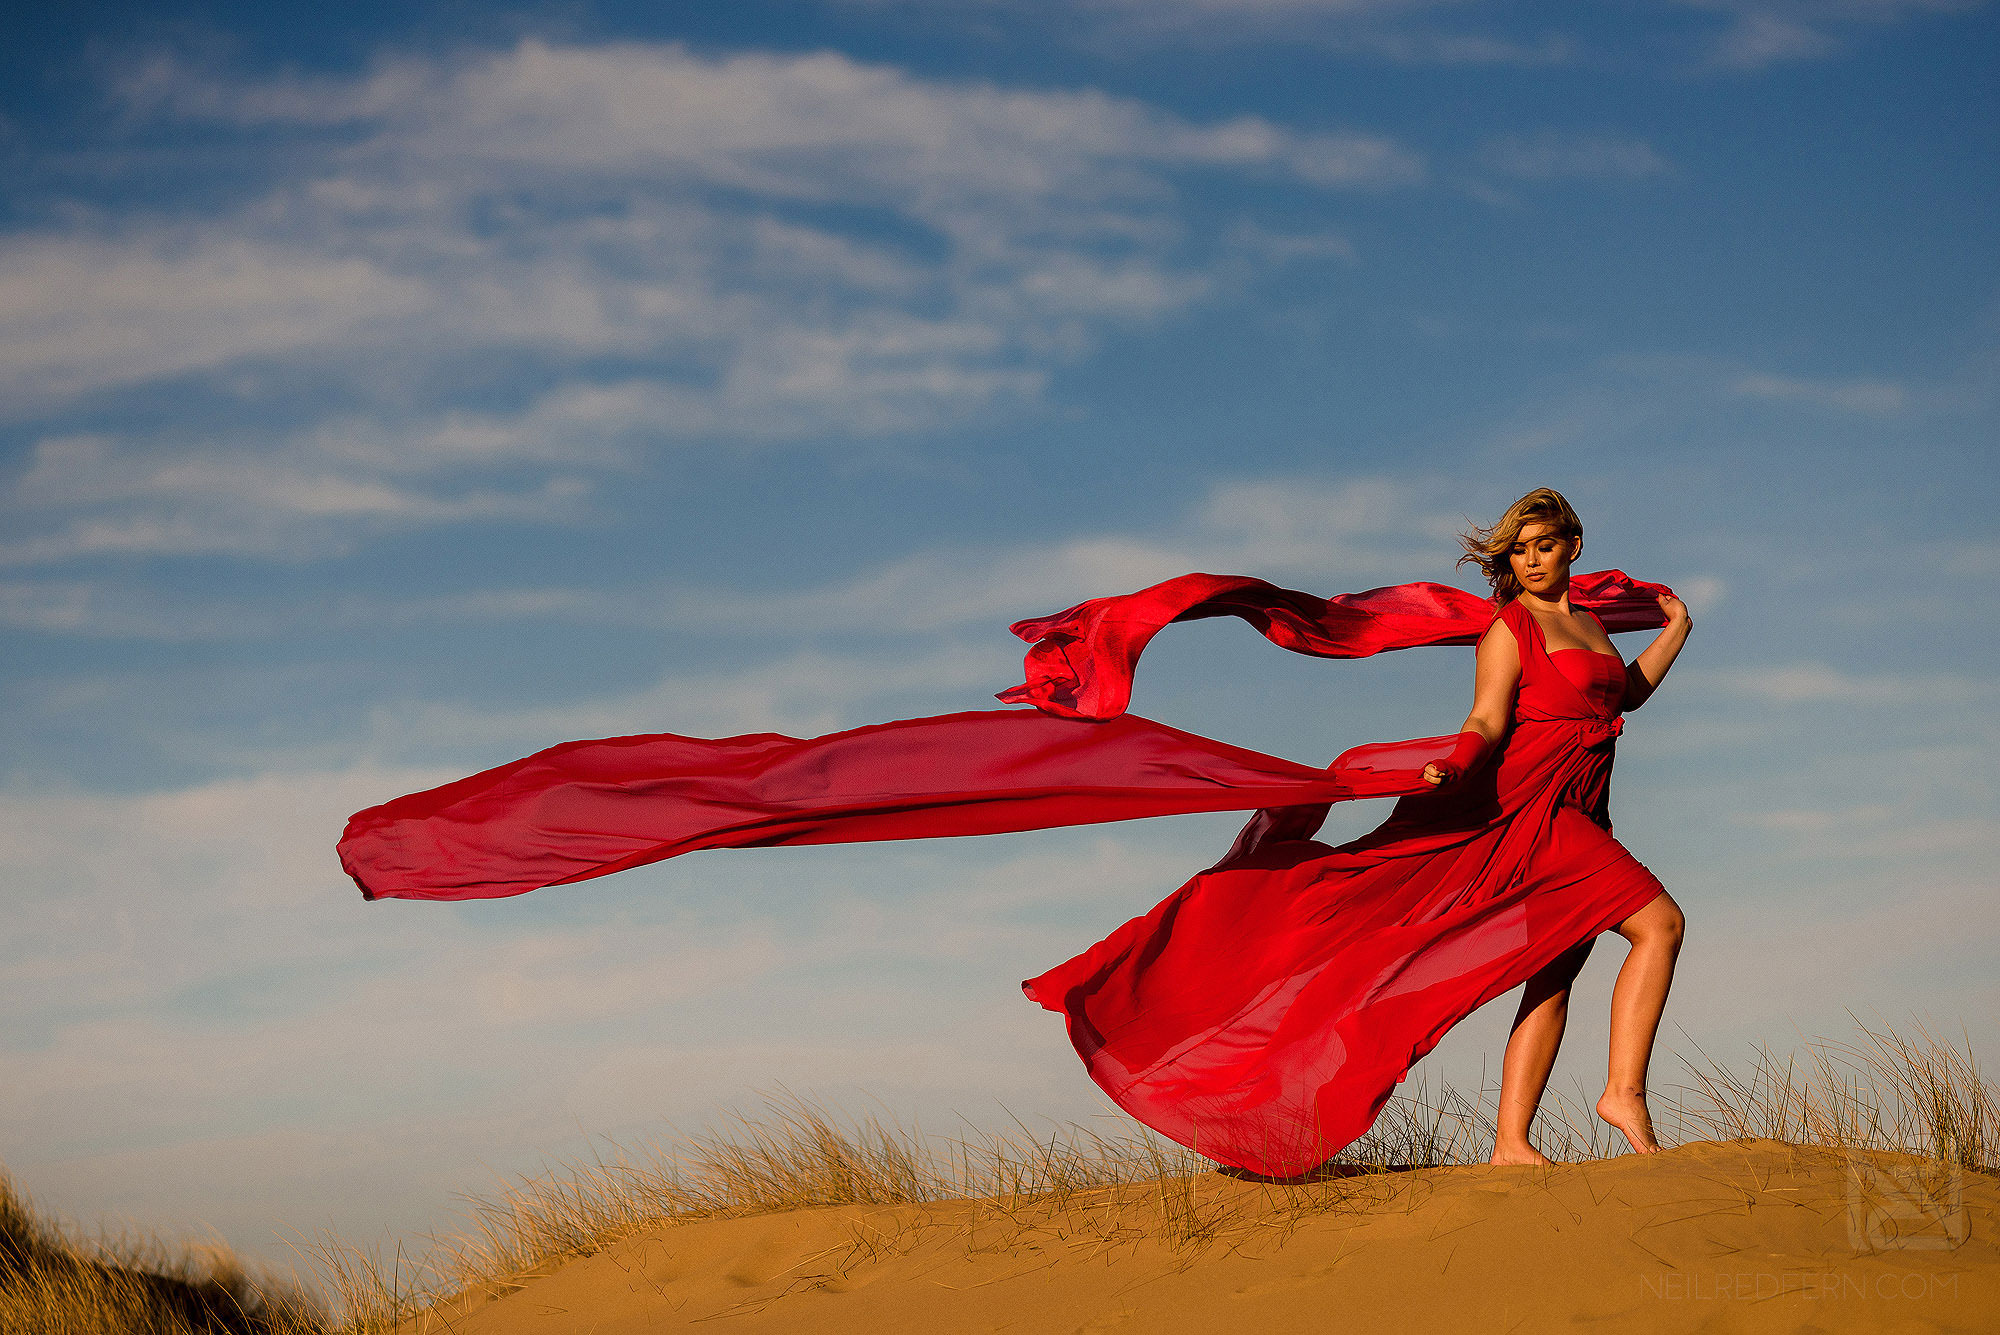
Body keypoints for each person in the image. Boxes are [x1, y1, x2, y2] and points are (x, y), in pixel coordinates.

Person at [338, 487, 1690, 1177]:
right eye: (1526, 547)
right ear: (1502, 562)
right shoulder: (1514, 632)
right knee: (1657, 923)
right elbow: (1487, 724)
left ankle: (1520, 1144)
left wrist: (1673, 632)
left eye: (1556, 545)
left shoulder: (1596, 625)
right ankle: (1619, 1100)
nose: (1543, 561)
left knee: (1554, 969)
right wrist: (1374, 773)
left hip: (1590, 794)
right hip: (1525, 804)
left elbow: (1622, 698)